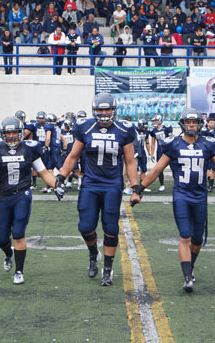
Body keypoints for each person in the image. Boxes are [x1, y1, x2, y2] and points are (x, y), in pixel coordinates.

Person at [131, 108, 215, 292]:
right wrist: (138, 190)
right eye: (188, 122)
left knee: (197, 238)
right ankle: (187, 277)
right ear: (182, 124)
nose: (191, 125)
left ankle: (191, 266)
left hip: (200, 195)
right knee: (185, 236)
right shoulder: (174, 144)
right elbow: (156, 170)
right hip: (181, 194)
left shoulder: (207, 144)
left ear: (199, 125)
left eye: (194, 123)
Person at [56, 93, 139, 286]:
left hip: (112, 185)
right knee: (85, 226)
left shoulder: (123, 129)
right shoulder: (85, 127)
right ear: (94, 110)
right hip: (91, 184)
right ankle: (93, 253)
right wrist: (61, 176)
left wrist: (135, 187)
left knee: (110, 228)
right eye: (100, 110)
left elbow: (129, 161)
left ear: (113, 110)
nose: (103, 113)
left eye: (107, 109)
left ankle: (107, 270)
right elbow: (73, 156)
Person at [0, 116, 64, 285]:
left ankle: (19, 271)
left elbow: (44, 172)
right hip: (3, 197)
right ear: (3, 134)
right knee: (0, 239)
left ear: (21, 132)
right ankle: (8, 254)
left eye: (14, 132)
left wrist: (56, 185)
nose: (11, 136)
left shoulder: (29, 149)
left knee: (18, 233)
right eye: (8, 132)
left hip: (22, 195)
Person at [150, 114, 173, 192]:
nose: (154, 122)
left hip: (169, 150)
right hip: (160, 150)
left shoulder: (167, 128)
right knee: (159, 169)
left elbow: (172, 139)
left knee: (174, 167)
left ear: (160, 120)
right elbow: (153, 143)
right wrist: (151, 154)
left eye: (156, 120)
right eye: (154, 121)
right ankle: (162, 184)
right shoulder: (153, 131)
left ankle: (177, 183)